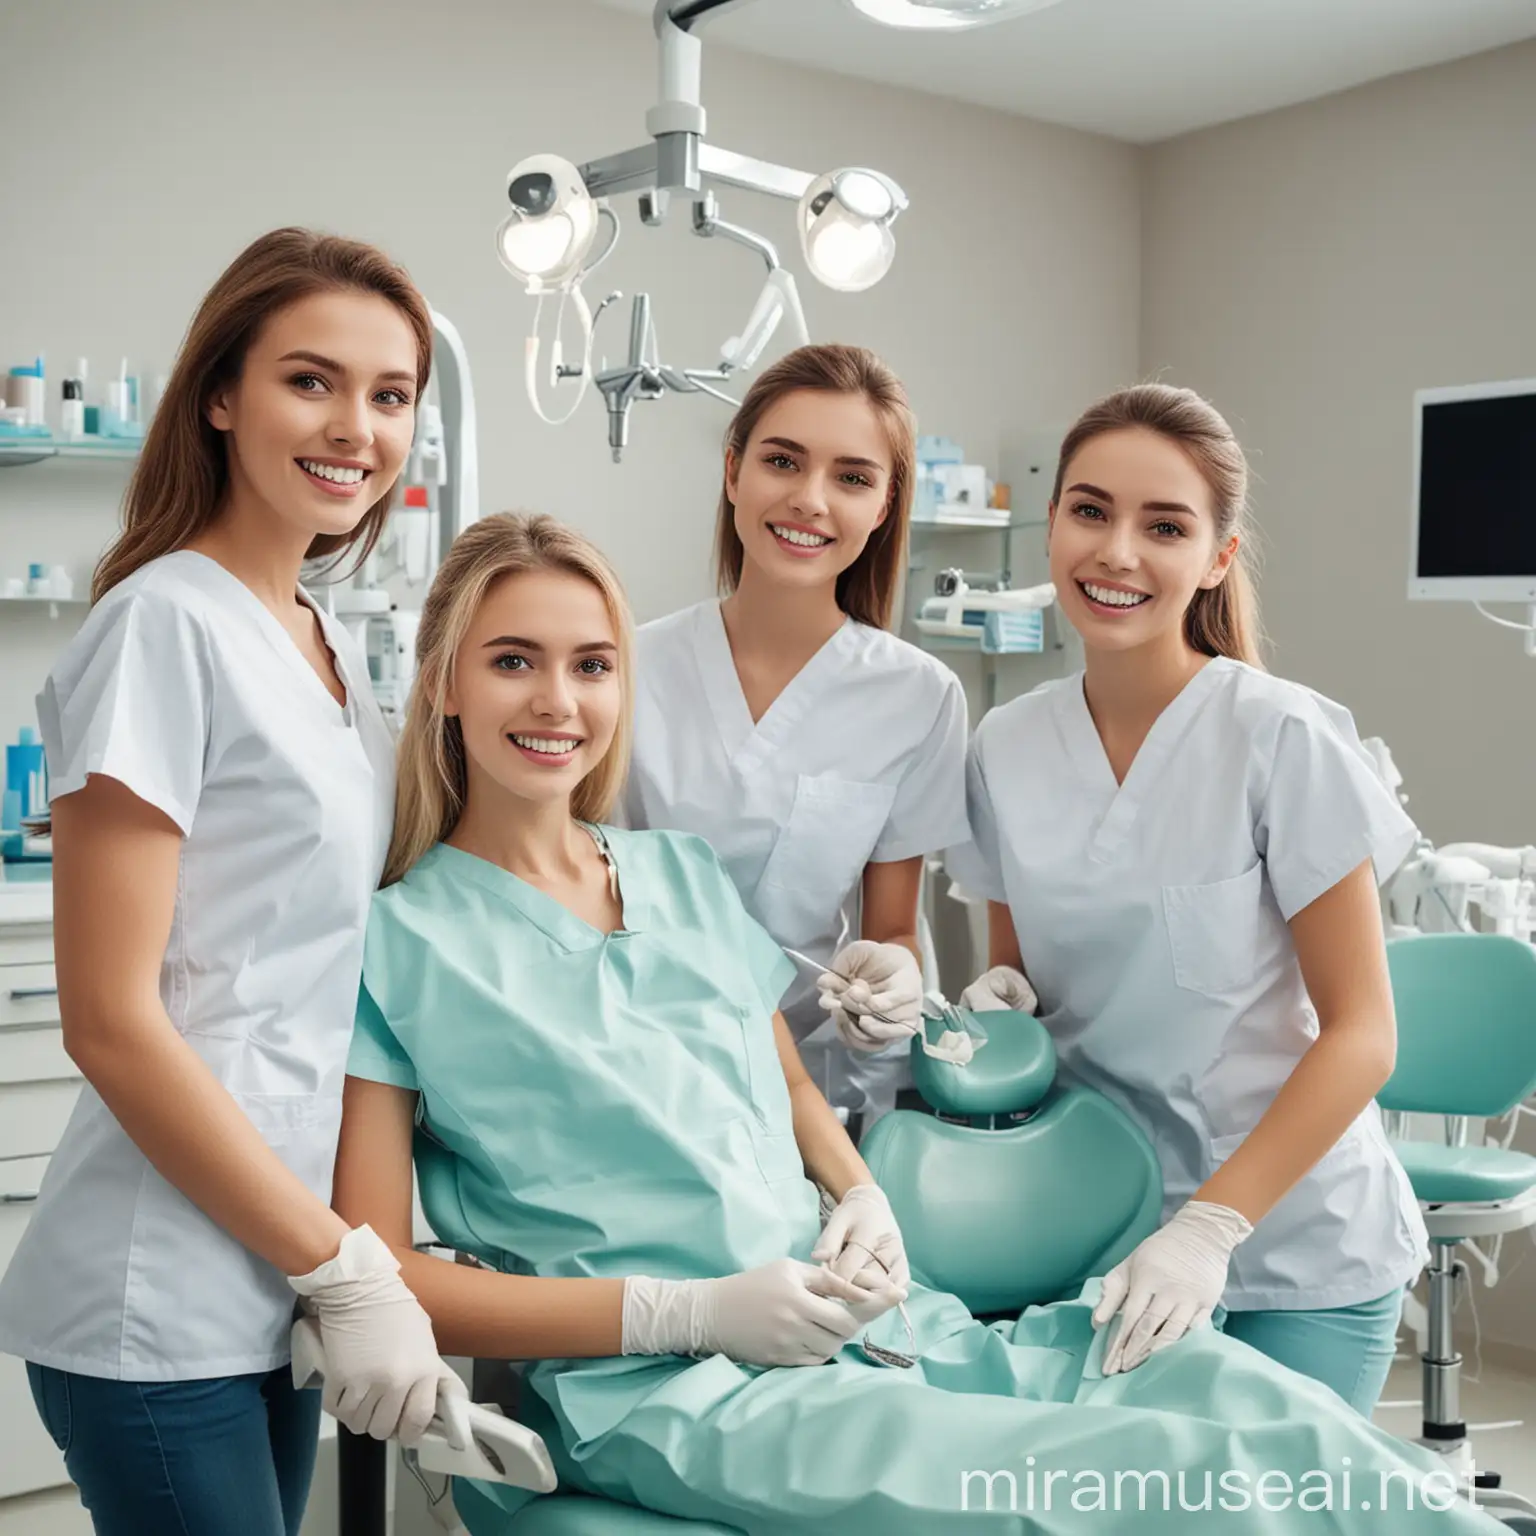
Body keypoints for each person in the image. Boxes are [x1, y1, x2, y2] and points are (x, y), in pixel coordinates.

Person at [334, 511, 1497, 1536]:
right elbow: (384, 1270)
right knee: (1158, 1482)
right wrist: (684, 1312)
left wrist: (858, 1193)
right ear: (444, 684)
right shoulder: (396, 946)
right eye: (511, 662)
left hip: (876, 1320)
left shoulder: (676, 873)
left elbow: (785, 1085)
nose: (557, 700)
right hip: (672, 1391)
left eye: (591, 664)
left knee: (1256, 1410)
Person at [0, 228, 467, 1536]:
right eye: (311, 381)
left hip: (274, 1271)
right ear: (221, 395)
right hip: (161, 1292)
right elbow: (110, 1020)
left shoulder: (317, 637)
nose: (356, 428)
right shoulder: (165, 624)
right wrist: (341, 1264)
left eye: (390, 396)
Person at [944, 383, 1428, 1414]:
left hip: (1291, 1247)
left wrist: (1213, 1227)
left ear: (1215, 558)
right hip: (1094, 1236)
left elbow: (1363, 1034)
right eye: (1090, 510)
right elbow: (1022, 983)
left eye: (1163, 526)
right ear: (1053, 526)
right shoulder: (1004, 747)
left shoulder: (1280, 737)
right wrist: (992, 1003)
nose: (1117, 552)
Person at [620, 344, 969, 1135]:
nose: (811, 500)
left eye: (852, 478)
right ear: (734, 471)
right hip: (638, 1068)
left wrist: (890, 983)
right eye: (783, 461)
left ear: (883, 508)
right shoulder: (624, 666)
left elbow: (889, 928)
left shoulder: (918, 697)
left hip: (812, 1094)